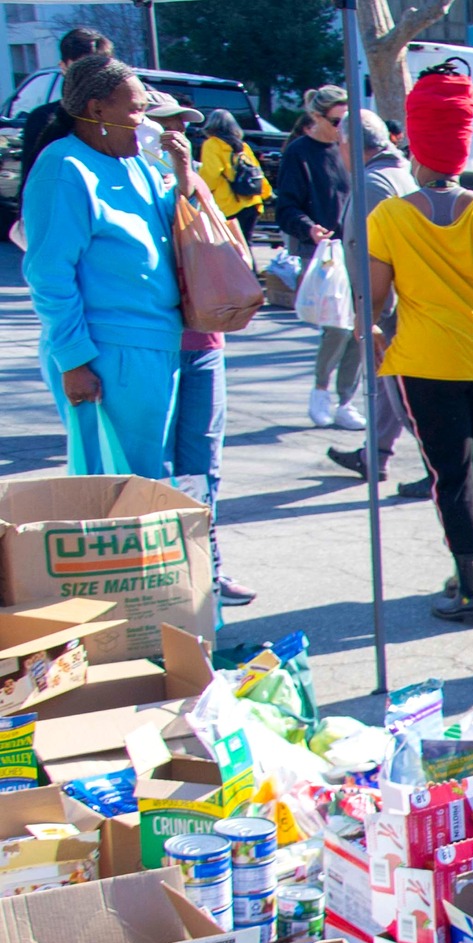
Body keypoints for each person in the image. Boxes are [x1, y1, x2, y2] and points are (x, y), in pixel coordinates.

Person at [367, 68, 473, 628]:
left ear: (415, 141)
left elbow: (374, 296)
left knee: (451, 474)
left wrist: (366, 331)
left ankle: (472, 590)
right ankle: (471, 570)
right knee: (469, 465)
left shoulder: (389, 215)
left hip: (426, 361)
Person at [23, 55, 189, 480]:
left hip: (155, 339)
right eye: (136, 109)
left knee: (146, 478)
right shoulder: (63, 167)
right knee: (115, 485)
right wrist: (74, 360)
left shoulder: (135, 162)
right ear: (97, 109)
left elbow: (171, 225)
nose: (146, 119)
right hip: (106, 349)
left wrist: (182, 172)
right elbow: (48, 274)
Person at [133, 91, 257, 607]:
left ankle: (208, 569)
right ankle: (160, 578)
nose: (178, 136)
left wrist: (187, 180)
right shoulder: (130, 183)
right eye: (167, 126)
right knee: (153, 467)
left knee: (200, 462)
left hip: (204, 338)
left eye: (184, 126)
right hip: (154, 344)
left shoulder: (192, 177)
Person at [328, 110, 423, 490]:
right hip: (405, 300)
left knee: (402, 392)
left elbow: (368, 254)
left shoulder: (372, 183)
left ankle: (443, 468)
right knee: (389, 386)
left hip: (391, 307)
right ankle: (375, 454)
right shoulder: (400, 173)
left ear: (348, 144)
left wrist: (369, 313)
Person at [276, 85, 366, 431]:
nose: (343, 129)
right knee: (337, 327)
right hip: (327, 252)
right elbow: (286, 206)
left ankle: (346, 400)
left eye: (348, 121)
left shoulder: (353, 150)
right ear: (316, 118)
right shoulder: (300, 152)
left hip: (359, 247)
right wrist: (309, 228)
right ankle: (321, 390)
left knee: (361, 324)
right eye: (336, 121)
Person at [18, 28, 111, 189]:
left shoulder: (123, 113)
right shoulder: (43, 118)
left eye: (98, 66)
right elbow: (31, 178)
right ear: (63, 67)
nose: (91, 75)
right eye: (81, 67)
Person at [196, 108, 270, 250]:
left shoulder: (212, 144)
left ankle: (239, 273)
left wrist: (201, 192)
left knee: (229, 249)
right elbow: (257, 171)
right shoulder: (243, 146)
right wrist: (266, 193)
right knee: (246, 245)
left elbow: (212, 174)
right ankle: (249, 272)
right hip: (252, 202)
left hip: (229, 204)